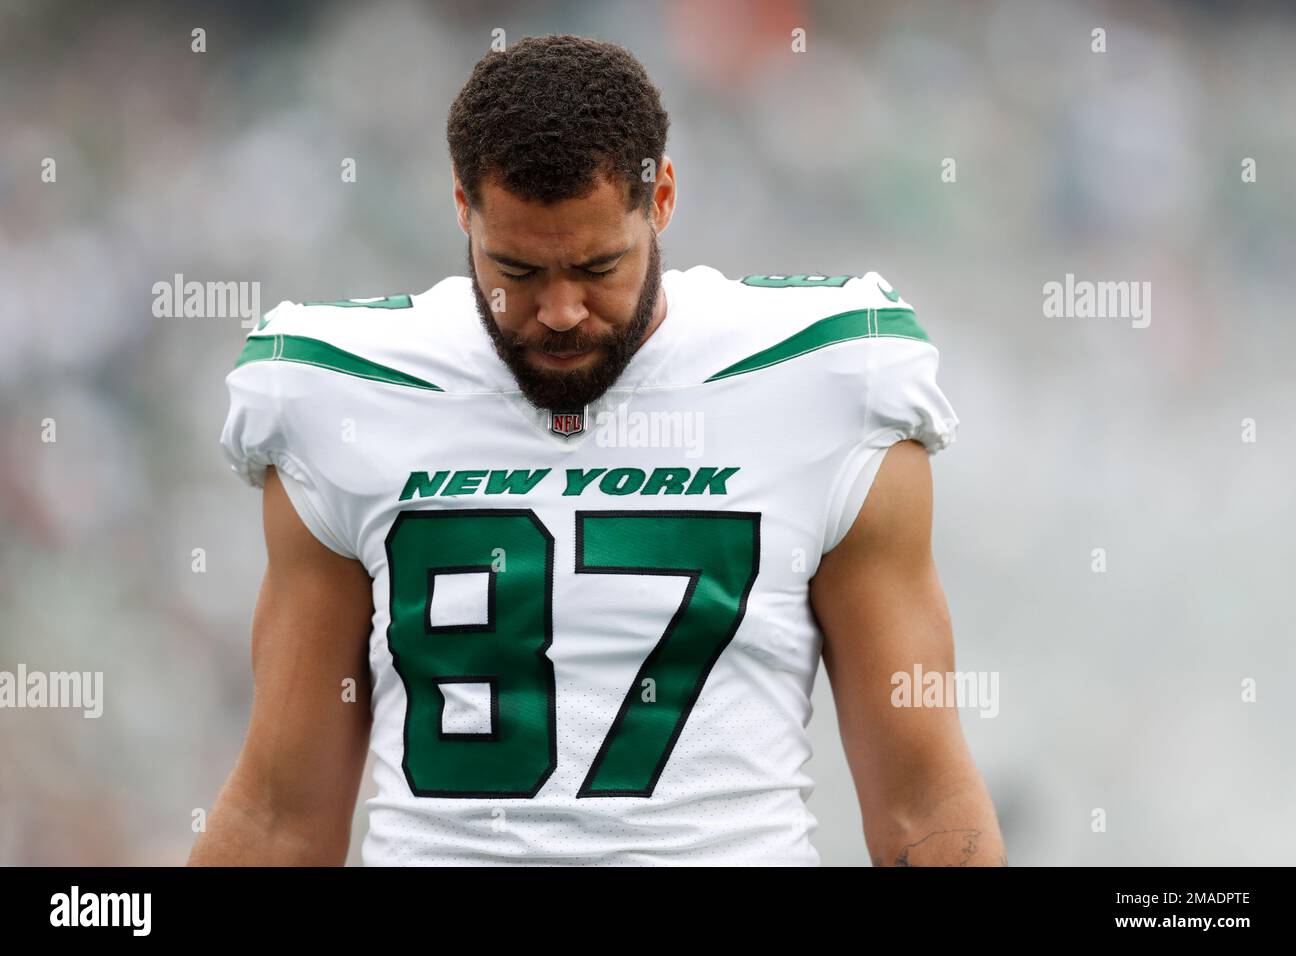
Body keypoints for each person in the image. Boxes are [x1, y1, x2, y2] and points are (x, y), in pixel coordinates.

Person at [190, 34, 1004, 866]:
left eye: (598, 265)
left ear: (663, 200)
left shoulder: (828, 379)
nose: (560, 310)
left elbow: (921, 805)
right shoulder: (343, 392)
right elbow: (282, 816)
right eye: (517, 269)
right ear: (461, 209)